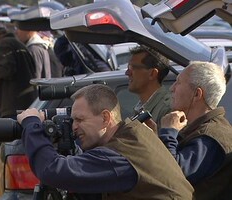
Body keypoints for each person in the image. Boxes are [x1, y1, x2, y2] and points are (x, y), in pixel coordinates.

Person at [17, 84, 193, 199]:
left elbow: (53, 171)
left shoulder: (121, 153)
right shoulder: (132, 135)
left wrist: (31, 125)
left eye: (80, 120)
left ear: (105, 117)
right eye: (72, 121)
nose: (73, 128)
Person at [159, 61, 232, 199]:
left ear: (197, 94)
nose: (172, 88)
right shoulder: (199, 129)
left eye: (178, 82)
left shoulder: (210, 137)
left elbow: (171, 176)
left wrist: (168, 132)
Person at [0, 22, 37, 119]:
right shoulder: (16, 43)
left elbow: (5, 69)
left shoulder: (4, 44)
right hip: (25, 103)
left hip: (13, 106)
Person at [126, 45, 171, 128]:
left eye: (132, 68)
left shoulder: (167, 110)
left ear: (152, 73)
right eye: (128, 67)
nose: (127, 73)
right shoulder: (141, 108)